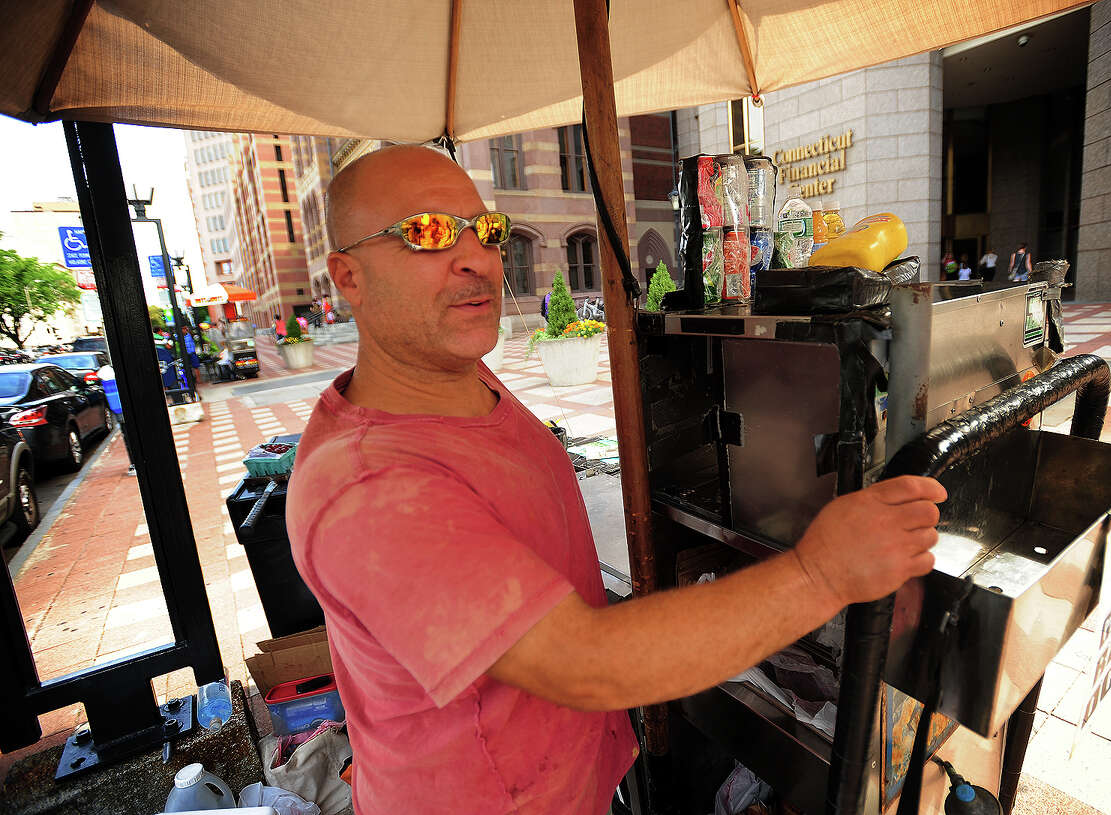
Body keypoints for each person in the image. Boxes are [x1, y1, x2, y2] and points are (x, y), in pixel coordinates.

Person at [286, 146, 945, 815]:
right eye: (426, 232)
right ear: (348, 276)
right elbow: (581, 661)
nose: (476, 258)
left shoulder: (451, 376)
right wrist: (822, 575)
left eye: (483, 230)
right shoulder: (365, 490)